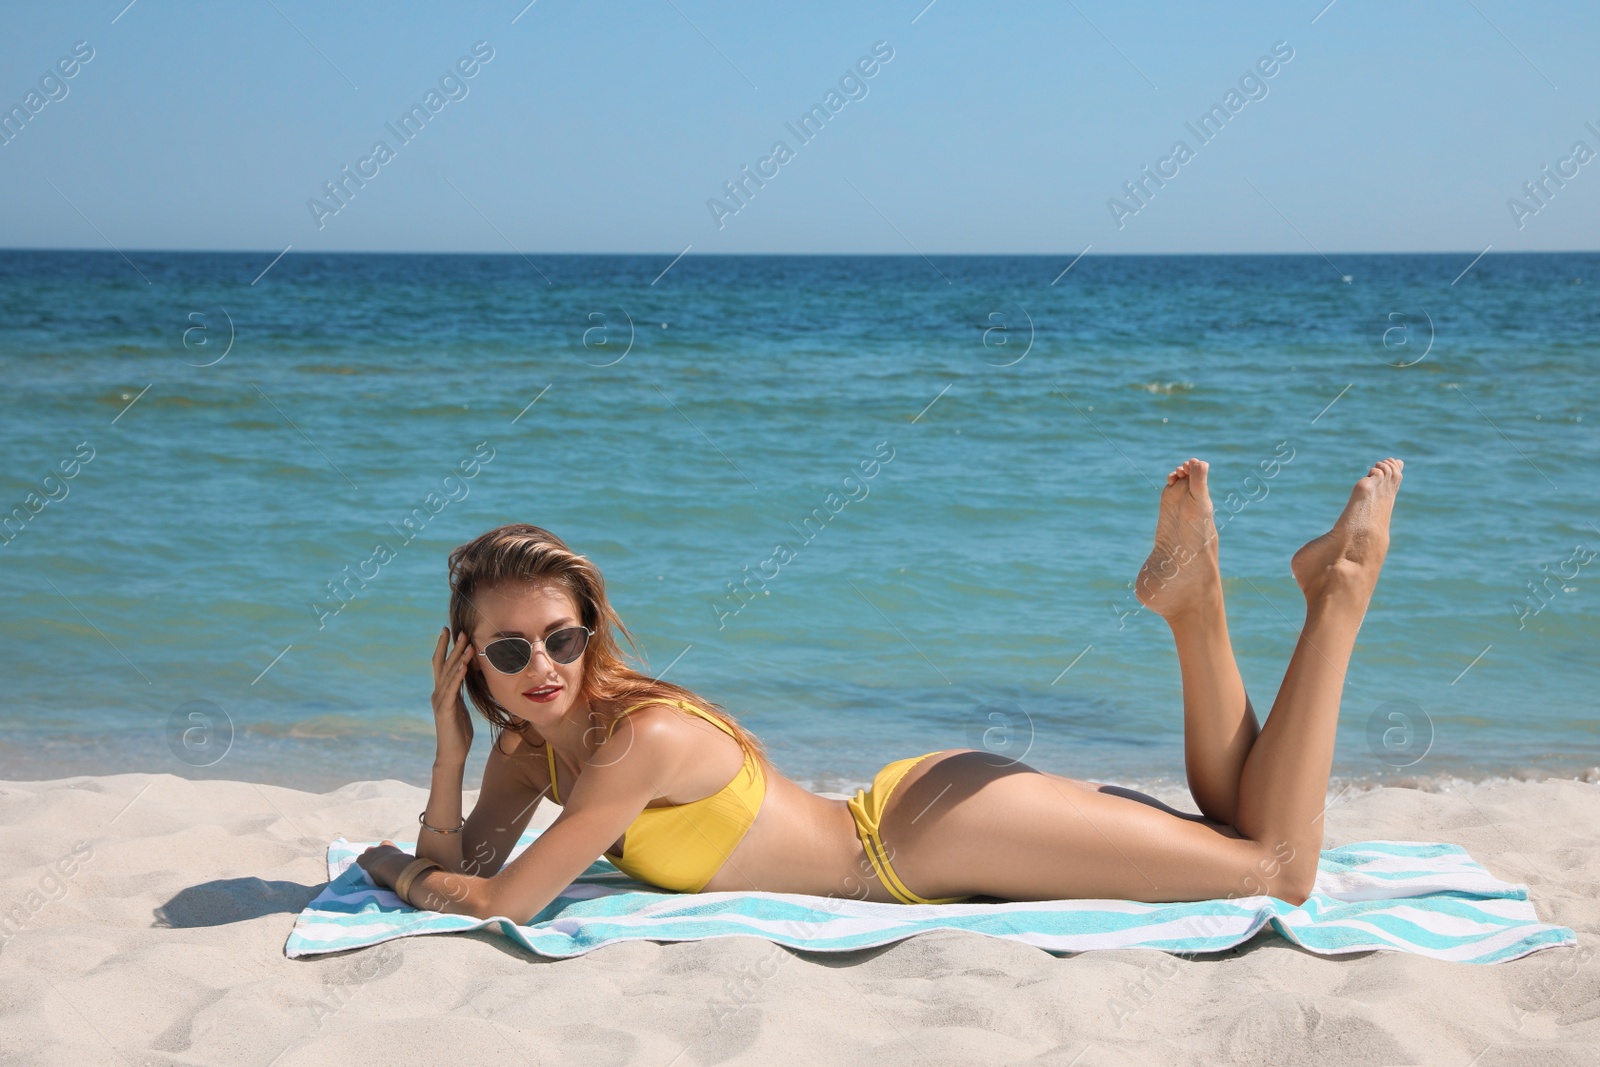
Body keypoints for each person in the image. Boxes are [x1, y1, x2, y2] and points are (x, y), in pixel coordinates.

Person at [358, 457, 1404, 922]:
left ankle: (1339, 593)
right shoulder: (523, 748)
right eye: (507, 652)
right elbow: (476, 857)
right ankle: (1194, 611)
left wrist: (397, 873)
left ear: (591, 632)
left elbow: (501, 899)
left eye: (561, 636)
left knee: (1274, 868)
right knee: (1235, 821)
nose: (540, 667)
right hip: (918, 816)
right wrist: (452, 754)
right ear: (467, 658)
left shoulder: (639, 741)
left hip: (926, 840)